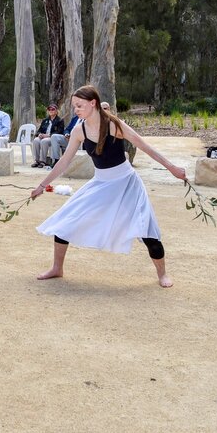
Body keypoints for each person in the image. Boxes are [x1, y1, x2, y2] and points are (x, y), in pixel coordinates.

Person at [31, 85, 186, 288]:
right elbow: (64, 161)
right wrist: (42, 185)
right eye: (74, 106)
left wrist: (173, 168)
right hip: (101, 183)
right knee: (66, 219)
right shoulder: (79, 129)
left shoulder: (114, 125)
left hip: (127, 184)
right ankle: (57, 268)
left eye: (79, 105)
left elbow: (145, 147)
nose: (76, 110)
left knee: (147, 231)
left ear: (93, 103)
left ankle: (162, 274)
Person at [31, 104, 65, 168]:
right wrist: (39, 134)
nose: (51, 111)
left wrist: (48, 135)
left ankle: (43, 161)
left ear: (56, 111)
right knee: (36, 140)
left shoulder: (60, 120)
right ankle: (37, 161)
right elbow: (39, 130)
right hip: (43, 136)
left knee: (44, 141)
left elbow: (59, 131)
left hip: (52, 138)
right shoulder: (45, 120)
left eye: (53, 109)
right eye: (49, 109)